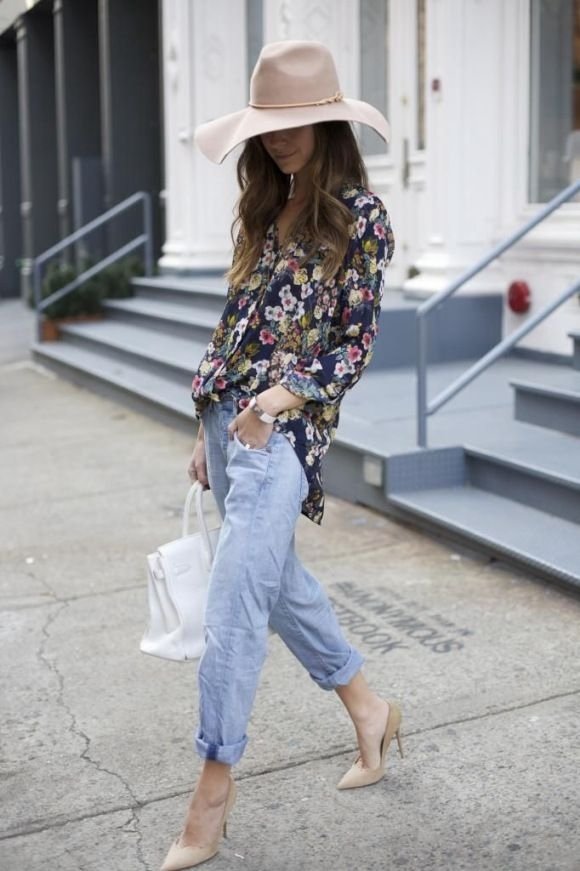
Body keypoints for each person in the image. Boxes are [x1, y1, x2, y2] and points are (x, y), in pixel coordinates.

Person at [161, 40, 400, 871]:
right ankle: (368, 708)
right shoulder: (267, 209)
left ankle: (212, 790)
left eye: (296, 122)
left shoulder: (360, 217)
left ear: (329, 122)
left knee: (234, 604)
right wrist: (208, 422)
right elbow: (233, 329)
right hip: (231, 424)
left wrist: (279, 398)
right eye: (270, 124)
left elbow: (356, 343)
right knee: (278, 587)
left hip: (281, 432)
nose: (280, 138)